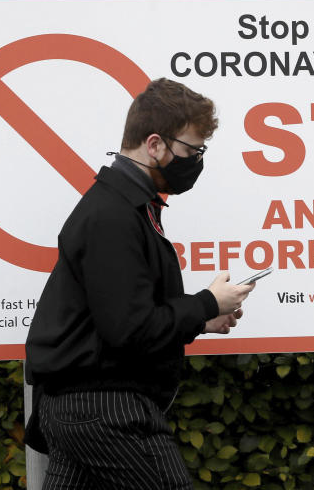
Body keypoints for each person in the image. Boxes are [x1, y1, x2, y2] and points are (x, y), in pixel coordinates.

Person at [24, 78, 253, 489]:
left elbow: (119, 316)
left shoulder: (124, 207)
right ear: (154, 144)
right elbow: (129, 330)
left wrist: (203, 320)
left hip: (80, 407)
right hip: (105, 410)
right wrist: (204, 304)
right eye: (191, 150)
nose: (196, 161)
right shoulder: (113, 216)